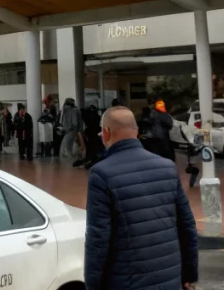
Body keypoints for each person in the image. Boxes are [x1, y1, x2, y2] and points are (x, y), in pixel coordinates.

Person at [85, 106, 198, 290]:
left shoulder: (101, 174)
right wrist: (189, 275)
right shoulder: (167, 167)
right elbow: (187, 226)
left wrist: (92, 286)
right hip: (170, 280)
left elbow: (98, 241)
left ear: (106, 133)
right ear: (136, 131)